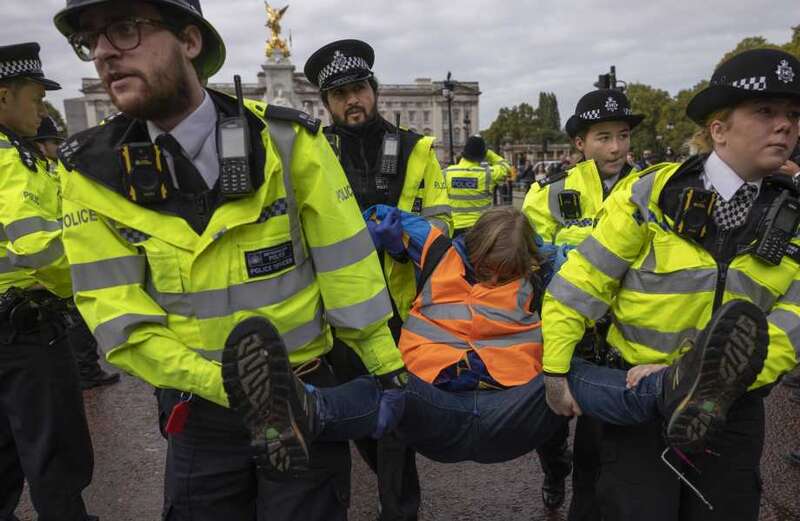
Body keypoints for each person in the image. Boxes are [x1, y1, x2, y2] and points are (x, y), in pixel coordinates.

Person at [53, 1, 405, 519]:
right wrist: (239, 389)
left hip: (306, 397)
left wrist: (385, 367)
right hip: (201, 414)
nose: (103, 52)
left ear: (190, 42)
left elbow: (346, 266)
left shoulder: (290, 140)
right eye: (91, 40)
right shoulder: (85, 173)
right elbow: (117, 318)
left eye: (124, 29)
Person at [220, 206, 769, 512]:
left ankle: (678, 389)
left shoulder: (546, 270)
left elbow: (599, 271)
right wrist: (376, 223)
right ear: (468, 248)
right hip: (434, 407)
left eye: (506, 271)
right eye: (484, 266)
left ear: (529, 260)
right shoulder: (437, 250)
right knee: (387, 385)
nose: (493, 277)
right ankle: (296, 412)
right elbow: (383, 222)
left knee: (570, 374)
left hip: (517, 410)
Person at [542, 48, 800, 520]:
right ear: (718, 129)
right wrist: (556, 370)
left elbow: (793, 321)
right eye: (765, 111)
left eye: (792, 114)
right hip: (638, 404)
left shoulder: (795, 216)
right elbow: (582, 282)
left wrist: (706, 382)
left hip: (732, 409)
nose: (784, 125)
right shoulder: (649, 193)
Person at [303, 38, 452, 521]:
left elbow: (442, 227)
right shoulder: (309, 153)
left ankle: (399, 510)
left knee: (394, 426)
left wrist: (403, 240)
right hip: (333, 314)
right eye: (340, 93)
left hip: (397, 311)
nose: (352, 100)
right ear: (325, 104)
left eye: (359, 88)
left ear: (374, 89)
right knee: (356, 421)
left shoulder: (417, 150)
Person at [521, 87, 644, 518]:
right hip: (561, 333)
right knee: (550, 430)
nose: (616, 147)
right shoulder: (550, 192)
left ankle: (585, 501)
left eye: (623, 135)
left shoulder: (649, 190)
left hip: (616, 340)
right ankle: (555, 472)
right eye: (603, 137)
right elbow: (527, 257)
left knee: (597, 446)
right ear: (580, 143)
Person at [0, 42, 96, 521]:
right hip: (27, 333)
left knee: (6, 454)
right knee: (55, 453)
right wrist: (89, 279)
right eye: (35, 99)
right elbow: (37, 245)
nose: (41, 111)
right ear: (3, 98)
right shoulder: (8, 159)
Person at [29, 116, 120, 390]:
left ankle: (85, 367)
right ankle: (87, 369)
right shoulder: (36, 171)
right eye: (54, 142)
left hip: (58, 260)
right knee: (78, 323)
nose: (58, 147)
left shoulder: (47, 169)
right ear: (41, 145)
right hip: (55, 266)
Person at [444, 135, 510, 236]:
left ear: (464, 153)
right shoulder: (488, 174)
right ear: (482, 155)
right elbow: (505, 166)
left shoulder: (447, 173)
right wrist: (489, 153)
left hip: (454, 228)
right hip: (480, 228)